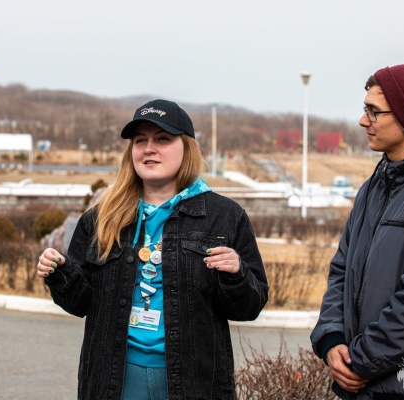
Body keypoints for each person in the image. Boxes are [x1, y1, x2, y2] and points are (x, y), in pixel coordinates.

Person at [37, 99, 269, 400]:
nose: (149, 148)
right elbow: (80, 303)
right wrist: (61, 273)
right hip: (115, 380)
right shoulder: (100, 218)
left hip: (193, 382)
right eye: (140, 140)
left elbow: (249, 307)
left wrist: (236, 274)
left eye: (162, 139)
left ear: (186, 147)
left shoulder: (225, 217)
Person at [311, 64, 404, 399]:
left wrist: (361, 361)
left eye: (374, 112)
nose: (363, 121)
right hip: (367, 383)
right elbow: (341, 271)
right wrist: (332, 340)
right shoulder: (374, 187)